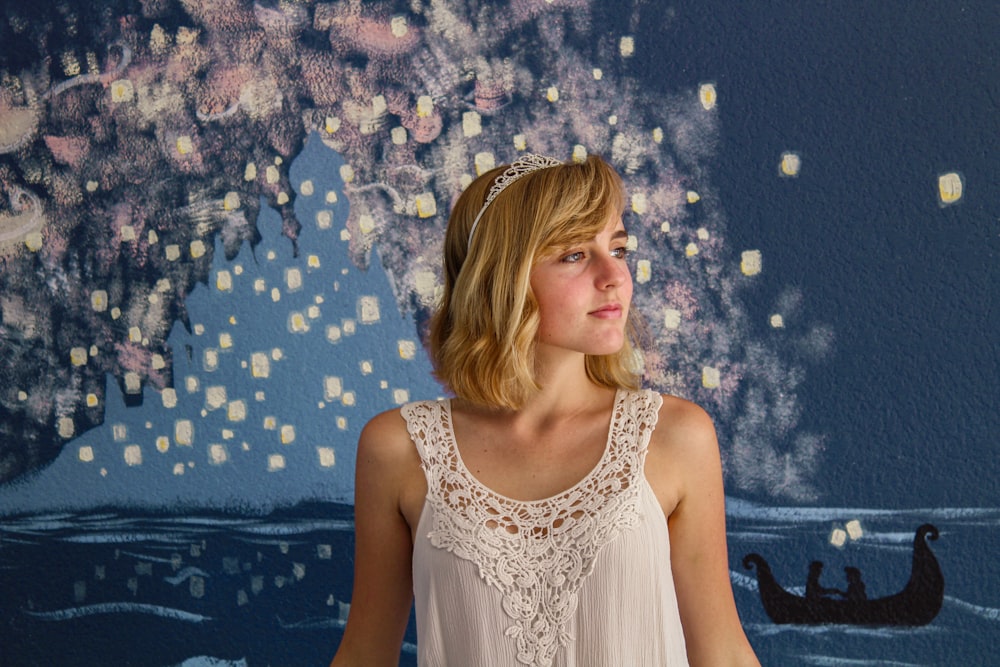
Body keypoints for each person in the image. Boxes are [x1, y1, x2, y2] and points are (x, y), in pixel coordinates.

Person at [330, 154, 760, 666]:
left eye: (618, 248)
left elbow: (725, 654)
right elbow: (364, 654)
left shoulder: (675, 437)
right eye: (575, 254)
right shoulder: (399, 448)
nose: (615, 276)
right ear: (501, 277)